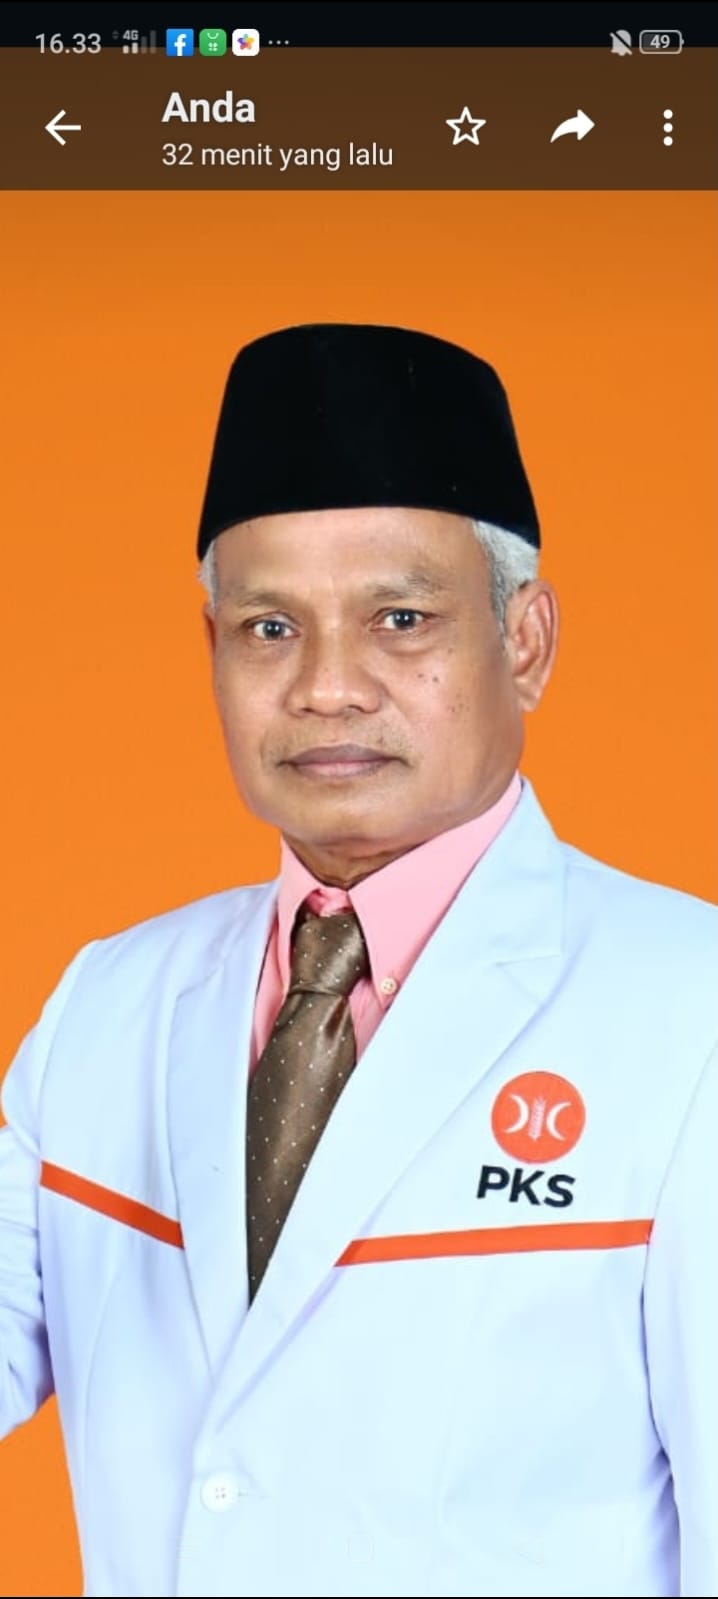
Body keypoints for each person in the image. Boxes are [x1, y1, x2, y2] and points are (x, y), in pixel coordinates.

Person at [0, 322, 716, 1599]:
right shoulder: (109, 1002)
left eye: (400, 618)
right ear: (211, 649)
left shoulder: (688, 1011)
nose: (327, 687)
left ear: (525, 640)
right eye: (269, 626)